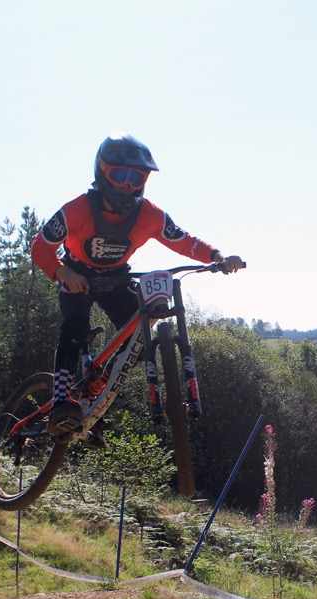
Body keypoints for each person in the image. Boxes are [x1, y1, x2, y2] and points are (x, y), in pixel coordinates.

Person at [31, 133, 245, 433]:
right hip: (77, 277)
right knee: (74, 329)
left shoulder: (149, 215)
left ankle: (97, 384)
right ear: (102, 172)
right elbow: (40, 247)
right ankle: (62, 401)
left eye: (137, 177)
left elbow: (183, 240)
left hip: (116, 279)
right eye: (120, 175)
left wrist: (217, 256)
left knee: (139, 342)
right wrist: (62, 273)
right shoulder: (77, 210)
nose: (127, 185)